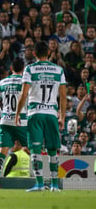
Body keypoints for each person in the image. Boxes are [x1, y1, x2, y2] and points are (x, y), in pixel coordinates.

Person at [15, 41, 66, 192]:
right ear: (49, 53)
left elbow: (24, 94)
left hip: (35, 113)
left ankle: (38, 184)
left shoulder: (30, 69)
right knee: (52, 149)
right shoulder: (58, 70)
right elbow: (63, 97)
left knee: (35, 149)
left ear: (35, 54)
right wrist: (62, 117)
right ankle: (55, 185)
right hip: (51, 114)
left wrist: (18, 113)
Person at [0, 57, 28, 188]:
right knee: (33, 149)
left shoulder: (3, 82)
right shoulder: (25, 82)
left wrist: (3, 115)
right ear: (23, 69)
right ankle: (41, 182)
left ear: (11, 68)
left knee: (2, 152)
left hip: (6, 121)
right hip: (22, 121)